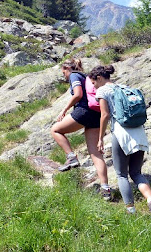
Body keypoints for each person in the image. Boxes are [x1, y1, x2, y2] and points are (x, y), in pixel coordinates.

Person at [89, 64, 151, 225]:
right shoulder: (124, 87)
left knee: (121, 174)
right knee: (137, 172)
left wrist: (101, 138)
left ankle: (131, 213)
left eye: (93, 82)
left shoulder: (103, 90)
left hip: (121, 132)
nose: (94, 86)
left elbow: (105, 115)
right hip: (138, 131)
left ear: (99, 78)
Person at [51, 58, 111, 201]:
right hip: (96, 115)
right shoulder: (85, 77)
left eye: (63, 72)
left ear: (67, 68)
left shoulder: (74, 75)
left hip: (83, 111)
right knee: (96, 154)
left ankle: (71, 157)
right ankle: (105, 189)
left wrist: (64, 110)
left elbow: (78, 94)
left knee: (55, 130)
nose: (64, 76)